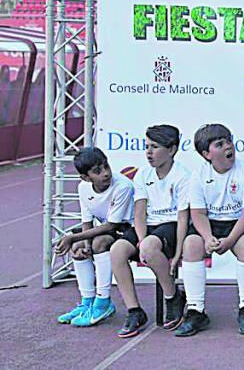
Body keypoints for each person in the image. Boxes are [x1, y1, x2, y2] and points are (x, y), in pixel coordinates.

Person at [175, 124, 244, 337]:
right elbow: (198, 213)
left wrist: (230, 240)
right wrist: (207, 237)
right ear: (206, 154)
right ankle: (196, 310)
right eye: (219, 144)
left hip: (237, 224)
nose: (228, 146)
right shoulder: (199, 175)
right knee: (191, 245)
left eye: (228, 141)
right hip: (210, 224)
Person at [110, 125, 191, 337]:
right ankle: (134, 310)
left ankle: (173, 296)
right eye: (147, 146)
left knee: (148, 246)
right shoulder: (143, 174)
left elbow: (183, 218)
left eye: (154, 147)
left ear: (172, 149)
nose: (148, 152)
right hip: (149, 228)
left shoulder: (183, 176)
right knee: (117, 249)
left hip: (172, 225)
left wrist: (177, 253)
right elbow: (139, 212)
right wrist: (140, 239)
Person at [55, 147, 134, 327]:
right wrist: (84, 244)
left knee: (99, 242)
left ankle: (103, 302)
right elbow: (87, 220)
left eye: (106, 166)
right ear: (85, 177)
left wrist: (74, 238)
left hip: (129, 229)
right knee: (78, 248)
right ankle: (87, 302)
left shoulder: (123, 185)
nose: (106, 173)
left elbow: (112, 225)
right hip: (105, 229)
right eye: (98, 171)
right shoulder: (83, 188)